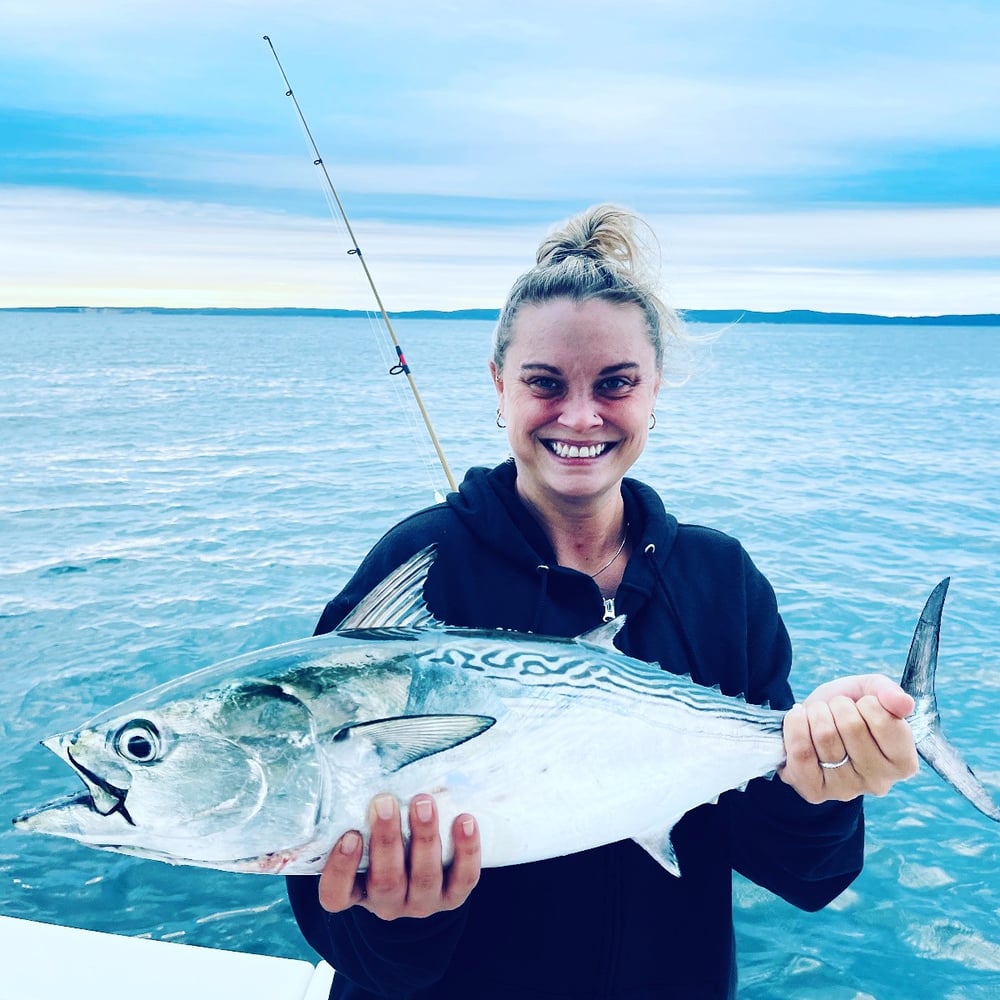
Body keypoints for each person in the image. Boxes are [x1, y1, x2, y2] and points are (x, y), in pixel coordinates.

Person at [286, 205, 918, 998]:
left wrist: (826, 783)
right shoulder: (416, 571)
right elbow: (344, 931)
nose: (579, 418)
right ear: (498, 386)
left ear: (655, 391)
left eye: (614, 384)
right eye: (544, 384)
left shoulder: (719, 582)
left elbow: (804, 875)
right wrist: (401, 916)